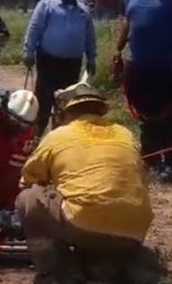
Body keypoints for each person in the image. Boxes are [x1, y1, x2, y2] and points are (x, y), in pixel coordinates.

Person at [17, 82, 153, 283]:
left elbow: (27, 180)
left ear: (65, 112)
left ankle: (56, 272)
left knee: (28, 198)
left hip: (84, 225)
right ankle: (103, 264)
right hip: (135, 230)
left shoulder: (58, 135)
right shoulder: (125, 134)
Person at [115, 0, 172, 178]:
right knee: (143, 112)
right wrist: (118, 51)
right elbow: (128, 22)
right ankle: (148, 157)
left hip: (166, 65)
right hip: (138, 64)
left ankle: (168, 161)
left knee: (167, 113)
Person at [23, 0, 97, 136]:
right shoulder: (47, 5)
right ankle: (35, 139)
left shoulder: (83, 10)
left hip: (72, 64)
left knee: (65, 104)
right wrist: (28, 52)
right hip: (48, 61)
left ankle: (58, 140)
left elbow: (90, 36)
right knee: (43, 102)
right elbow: (34, 29)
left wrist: (91, 58)